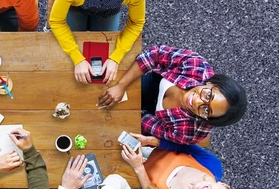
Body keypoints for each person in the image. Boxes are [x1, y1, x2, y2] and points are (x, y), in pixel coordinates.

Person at [98, 44, 247, 144]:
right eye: (208, 95)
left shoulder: (190, 132)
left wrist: (122, 111)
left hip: (146, 114)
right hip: (142, 79)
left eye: (207, 110)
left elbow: (148, 125)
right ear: (212, 84)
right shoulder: (197, 66)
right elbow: (154, 54)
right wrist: (121, 85)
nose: (196, 102)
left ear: (209, 120)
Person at [120, 133, 244, 189]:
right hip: (153, 145)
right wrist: (148, 140)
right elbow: (183, 145)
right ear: (224, 185)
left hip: (133, 169)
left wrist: (138, 167)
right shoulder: (213, 166)